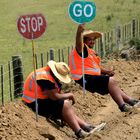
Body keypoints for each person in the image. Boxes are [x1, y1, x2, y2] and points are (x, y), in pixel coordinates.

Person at [69, 24, 140, 112]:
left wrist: (107, 71)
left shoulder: (90, 52)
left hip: (90, 77)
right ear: (84, 41)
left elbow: (95, 67)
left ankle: (131, 101)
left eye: (93, 40)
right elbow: (78, 43)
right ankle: (123, 106)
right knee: (111, 81)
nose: (92, 42)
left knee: (112, 85)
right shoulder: (81, 49)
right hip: (84, 78)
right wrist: (79, 31)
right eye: (89, 40)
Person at [22, 60, 99, 139]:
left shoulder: (49, 74)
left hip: (40, 100)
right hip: (33, 103)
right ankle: (79, 132)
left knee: (66, 106)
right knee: (65, 104)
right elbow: (54, 96)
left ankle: (86, 126)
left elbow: (57, 93)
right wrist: (69, 95)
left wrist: (65, 100)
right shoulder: (44, 78)